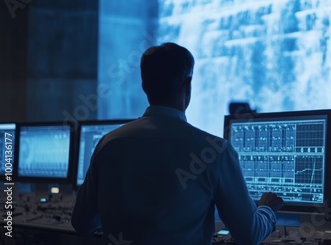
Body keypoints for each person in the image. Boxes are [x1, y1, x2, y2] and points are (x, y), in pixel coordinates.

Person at [71, 42, 284, 244]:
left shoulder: (109, 144)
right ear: (188, 86)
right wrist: (266, 209)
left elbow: (81, 224)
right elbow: (249, 235)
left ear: (145, 86)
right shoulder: (214, 150)